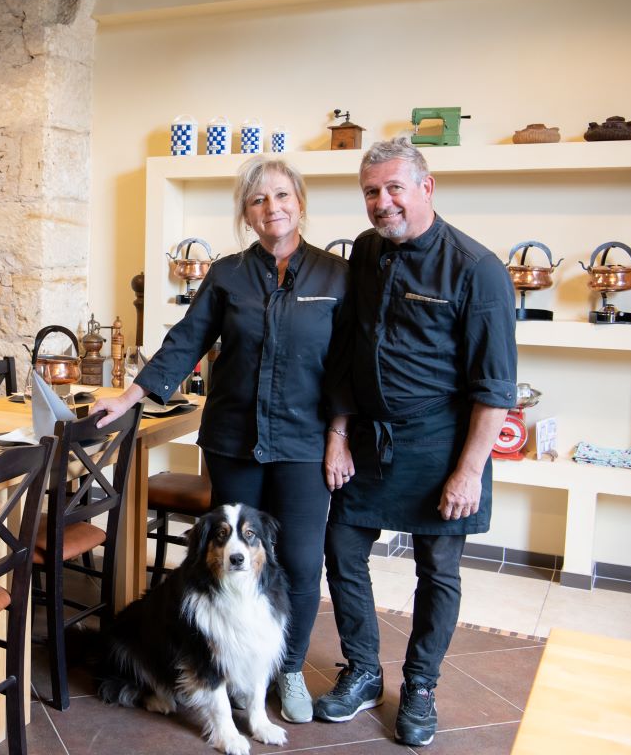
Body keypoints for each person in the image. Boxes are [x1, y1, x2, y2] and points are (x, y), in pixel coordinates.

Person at [93, 155, 352, 724]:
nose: (271, 208)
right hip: (234, 439)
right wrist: (132, 395)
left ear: (300, 204)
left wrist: (340, 434)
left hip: (306, 443)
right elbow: (186, 340)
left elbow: (347, 366)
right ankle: (225, 663)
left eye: (281, 196)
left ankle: (283, 668)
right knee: (227, 562)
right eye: (258, 200)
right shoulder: (227, 274)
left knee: (302, 564)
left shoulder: (337, 276)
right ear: (246, 214)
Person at [314, 138, 517, 747]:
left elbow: (495, 387)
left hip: (441, 444)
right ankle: (365, 671)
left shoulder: (477, 269)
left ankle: (421, 684)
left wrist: (468, 472)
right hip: (369, 440)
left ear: (427, 188)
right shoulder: (368, 253)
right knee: (343, 548)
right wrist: (339, 434)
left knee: (438, 570)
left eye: (394, 188)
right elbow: (348, 351)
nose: (382, 203)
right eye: (372, 192)